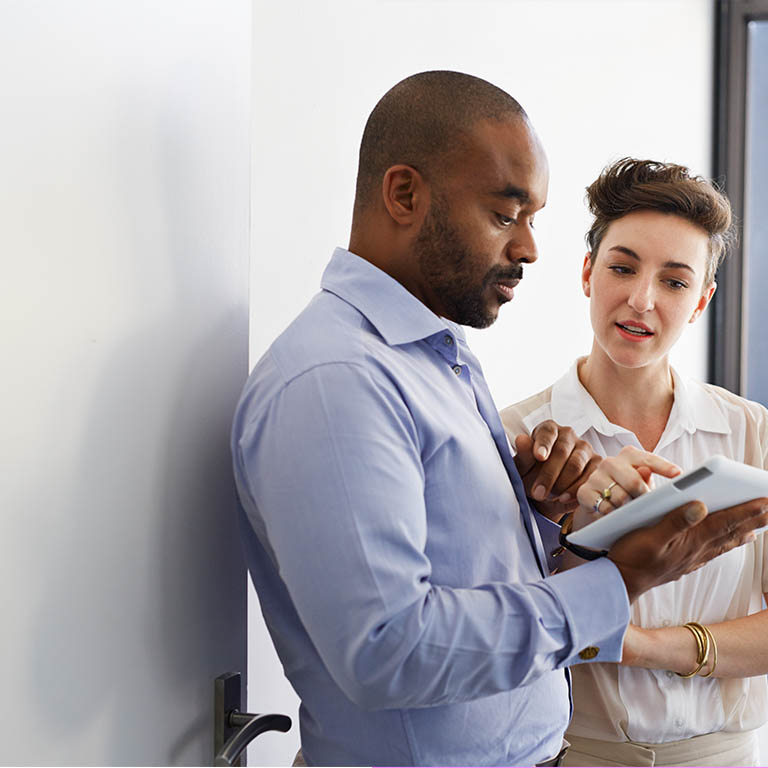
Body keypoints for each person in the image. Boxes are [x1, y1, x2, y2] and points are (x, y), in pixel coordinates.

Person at [232, 72, 768, 767]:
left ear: (701, 300)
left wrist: (546, 524)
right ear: (404, 195)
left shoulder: (441, 359)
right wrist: (618, 584)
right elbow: (386, 649)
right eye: (504, 214)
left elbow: (466, 580)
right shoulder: (337, 381)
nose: (528, 249)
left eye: (533, 220)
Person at [502, 157, 768, 767]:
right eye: (622, 267)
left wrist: (642, 645)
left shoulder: (752, 433)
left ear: (701, 300)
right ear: (589, 273)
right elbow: (494, 627)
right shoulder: (517, 438)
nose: (641, 299)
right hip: (570, 757)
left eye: (674, 282)